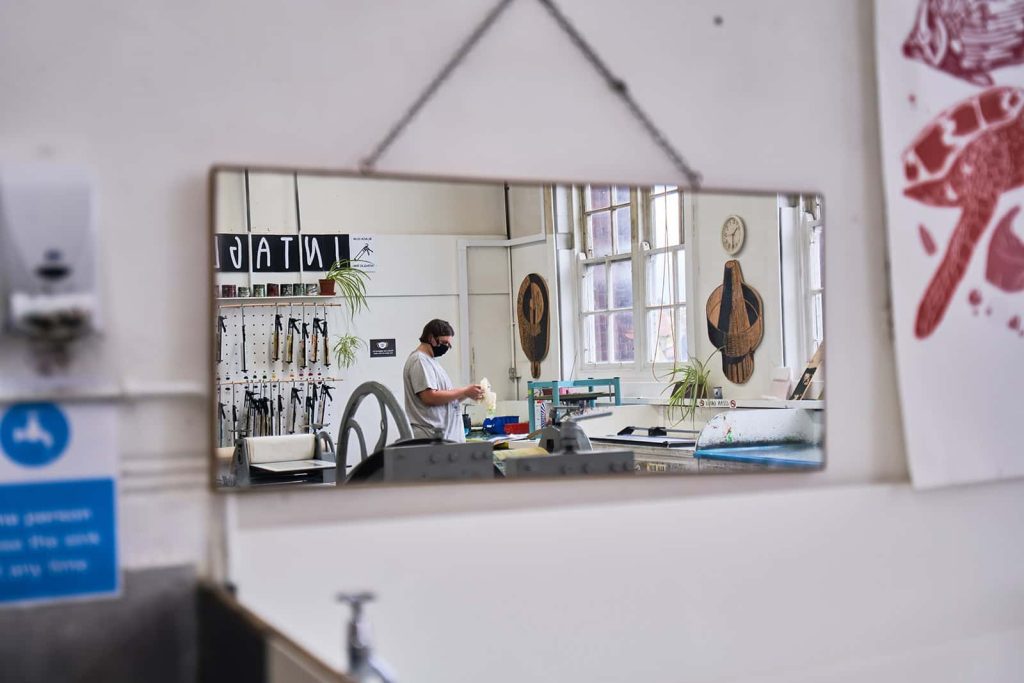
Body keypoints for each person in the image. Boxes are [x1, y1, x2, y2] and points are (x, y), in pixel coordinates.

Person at [403, 319, 484, 442]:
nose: (446, 347)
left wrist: (467, 393)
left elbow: (445, 399)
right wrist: (464, 391)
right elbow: (429, 397)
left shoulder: (432, 362)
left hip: (445, 440)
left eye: (448, 344)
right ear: (431, 338)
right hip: (431, 438)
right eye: (444, 342)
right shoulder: (419, 361)